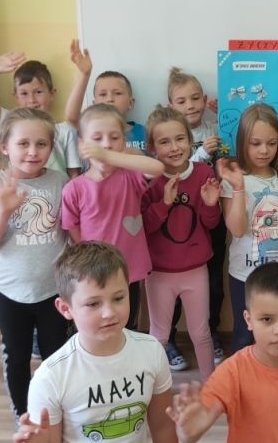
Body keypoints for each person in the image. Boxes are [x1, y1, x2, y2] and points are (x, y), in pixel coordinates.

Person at [14, 242, 177, 443]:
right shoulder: (50, 377)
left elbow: (163, 428)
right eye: (93, 303)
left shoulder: (152, 351)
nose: (109, 313)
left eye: (118, 298)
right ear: (65, 308)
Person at [166, 262, 278, 443]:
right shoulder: (232, 372)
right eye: (267, 319)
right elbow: (199, 420)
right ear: (249, 320)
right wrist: (188, 434)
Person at [0, 108, 71, 420]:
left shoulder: (60, 181)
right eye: (23, 143)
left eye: (41, 144)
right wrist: (3, 211)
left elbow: (73, 232)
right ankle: (23, 415)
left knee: (56, 356)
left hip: (54, 292)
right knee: (17, 357)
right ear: (4, 146)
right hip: (10, 294)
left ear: (51, 147)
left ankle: (54, 413)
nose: (32, 151)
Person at [61, 104, 164, 330]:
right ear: (82, 145)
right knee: (94, 326)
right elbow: (72, 228)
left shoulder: (130, 177)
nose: (106, 144)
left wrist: (112, 156)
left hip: (128, 271)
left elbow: (156, 167)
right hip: (92, 273)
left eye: (114, 138)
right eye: (97, 138)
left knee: (127, 325)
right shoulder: (74, 188)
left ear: (124, 143)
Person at [216, 103, 278, 353]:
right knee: (245, 337)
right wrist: (238, 188)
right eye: (255, 143)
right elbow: (236, 229)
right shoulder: (233, 181)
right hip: (245, 276)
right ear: (243, 142)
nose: (264, 150)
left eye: (271, 143)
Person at [141, 106, 220, 379]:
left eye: (180, 139)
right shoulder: (150, 180)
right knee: (159, 335)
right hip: (159, 272)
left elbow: (210, 223)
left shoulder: (203, 172)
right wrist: (164, 203)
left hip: (195, 269)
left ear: (190, 140)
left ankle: (211, 387)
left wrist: (211, 204)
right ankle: (151, 390)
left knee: (201, 333)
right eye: (164, 142)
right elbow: (145, 227)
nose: (174, 148)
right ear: (152, 148)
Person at [166, 67, 227, 369]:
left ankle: (210, 332)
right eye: (181, 101)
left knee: (213, 281)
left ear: (204, 99)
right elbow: (173, 172)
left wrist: (225, 112)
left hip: (212, 214)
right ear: (170, 106)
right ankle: (168, 339)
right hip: (178, 219)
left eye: (195, 98)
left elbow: (234, 144)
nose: (190, 106)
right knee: (173, 283)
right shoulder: (170, 136)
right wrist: (201, 154)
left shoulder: (215, 127)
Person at [0, 49, 81, 177]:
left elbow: (74, 175)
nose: (32, 100)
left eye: (38, 92)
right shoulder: (9, 121)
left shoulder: (65, 131)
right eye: (24, 93)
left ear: (51, 93)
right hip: (18, 188)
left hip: (57, 188)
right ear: (16, 97)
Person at [63, 45, 146, 152]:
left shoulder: (144, 132)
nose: (110, 99)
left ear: (130, 103)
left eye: (117, 93)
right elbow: (72, 117)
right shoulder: (90, 128)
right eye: (103, 94)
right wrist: (85, 75)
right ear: (94, 104)